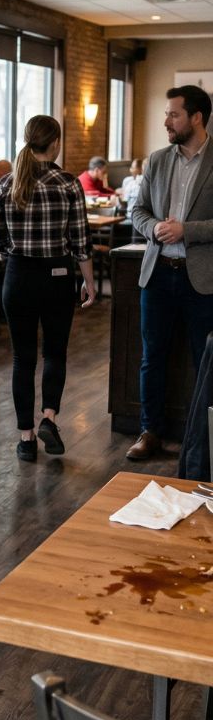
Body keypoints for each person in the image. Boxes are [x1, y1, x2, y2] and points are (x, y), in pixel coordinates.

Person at [0, 114, 96, 462]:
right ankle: (49, 416)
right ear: (55, 143)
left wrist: (20, 257)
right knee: (55, 353)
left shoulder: (6, 184)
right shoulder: (68, 183)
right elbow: (80, 243)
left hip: (18, 277)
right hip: (58, 278)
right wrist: (90, 283)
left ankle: (26, 438)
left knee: (22, 358)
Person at [126, 84, 213, 461]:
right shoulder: (158, 160)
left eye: (173, 114)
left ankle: (202, 440)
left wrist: (186, 231)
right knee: (152, 356)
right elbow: (138, 210)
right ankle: (150, 432)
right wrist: (154, 227)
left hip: (203, 279)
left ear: (196, 117)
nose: (166, 121)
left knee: (204, 360)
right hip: (157, 274)